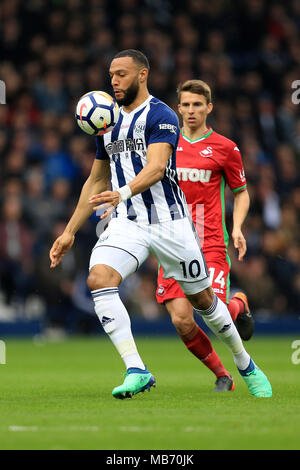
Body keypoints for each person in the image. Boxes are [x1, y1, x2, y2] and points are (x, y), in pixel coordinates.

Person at [49, 49, 272, 399]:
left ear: (142, 75)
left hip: (170, 223)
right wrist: (69, 232)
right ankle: (136, 369)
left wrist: (121, 192)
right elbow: (95, 181)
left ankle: (245, 363)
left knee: (205, 303)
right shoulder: (105, 122)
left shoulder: (162, 115)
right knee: (99, 278)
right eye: (111, 75)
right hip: (128, 222)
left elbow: (155, 169)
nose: (114, 81)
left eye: (121, 74)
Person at [156, 79, 255, 391]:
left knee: (212, 310)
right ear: (178, 108)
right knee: (182, 321)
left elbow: (241, 193)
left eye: (197, 105)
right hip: (172, 243)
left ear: (209, 108)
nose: (190, 110)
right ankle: (223, 375)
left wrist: (237, 227)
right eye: (185, 105)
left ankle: (238, 303)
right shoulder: (164, 145)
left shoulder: (226, 148)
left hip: (209, 242)